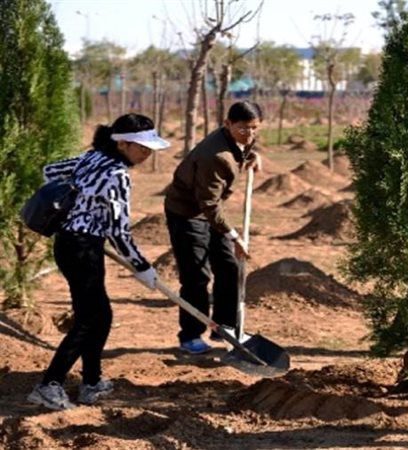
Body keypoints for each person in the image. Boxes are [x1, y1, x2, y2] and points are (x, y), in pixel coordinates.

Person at [28, 114, 169, 410]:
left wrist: (74, 205)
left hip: (73, 245)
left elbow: (50, 170)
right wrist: (142, 268)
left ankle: (91, 382)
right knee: (90, 319)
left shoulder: (92, 158)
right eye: (141, 147)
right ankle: (49, 385)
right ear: (122, 144)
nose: (147, 153)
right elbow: (118, 231)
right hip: (82, 250)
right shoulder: (117, 174)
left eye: (149, 147)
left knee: (99, 316)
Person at [164, 101, 263, 354]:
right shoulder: (215, 157)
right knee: (197, 276)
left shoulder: (237, 138)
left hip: (210, 210)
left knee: (229, 267)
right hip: (187, 213)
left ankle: (225, 328)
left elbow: (244, 146)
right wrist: (234, 236)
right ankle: (190, 335)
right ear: (227, 124)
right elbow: (208, 205)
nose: (249, 134)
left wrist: (252, 155)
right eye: (243, 129)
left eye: (254, 128)